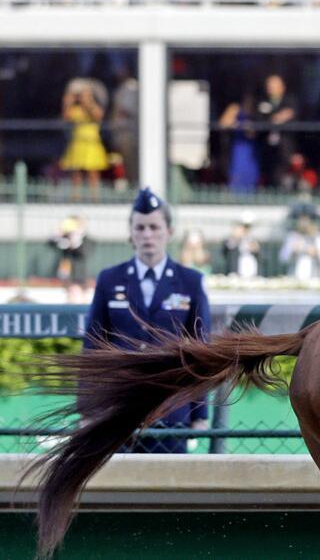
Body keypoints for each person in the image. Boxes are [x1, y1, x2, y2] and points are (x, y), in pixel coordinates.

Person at [84, 188, 211, 453]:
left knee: (171, 478)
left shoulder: (190, 282)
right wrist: (87, 409)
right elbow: (93, 346)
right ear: (130, 233)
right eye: (140, 228)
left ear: (169, 232)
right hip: (119, 408)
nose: (147, 235)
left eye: (154, 227)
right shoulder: (110, 280)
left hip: (171, 407)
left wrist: (199, 413)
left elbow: (201, 349)